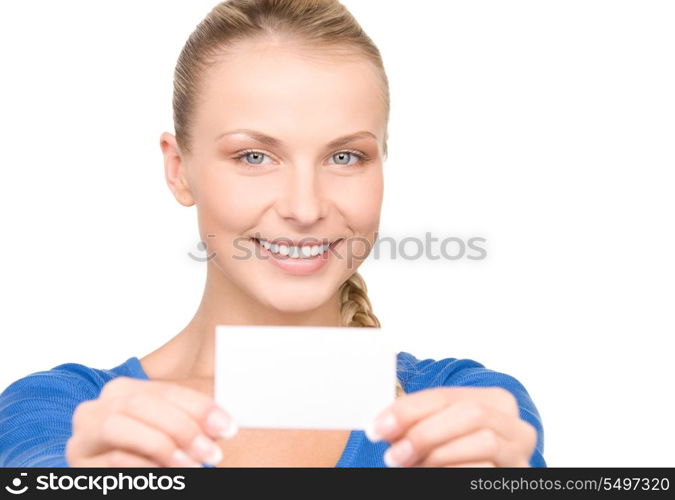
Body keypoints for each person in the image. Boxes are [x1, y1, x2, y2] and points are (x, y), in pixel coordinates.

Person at [0, 0, 545, 468]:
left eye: (345, 155)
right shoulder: (62, 418)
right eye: (255, 156)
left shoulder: (473, 411)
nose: (304, 208)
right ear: (179, 169)